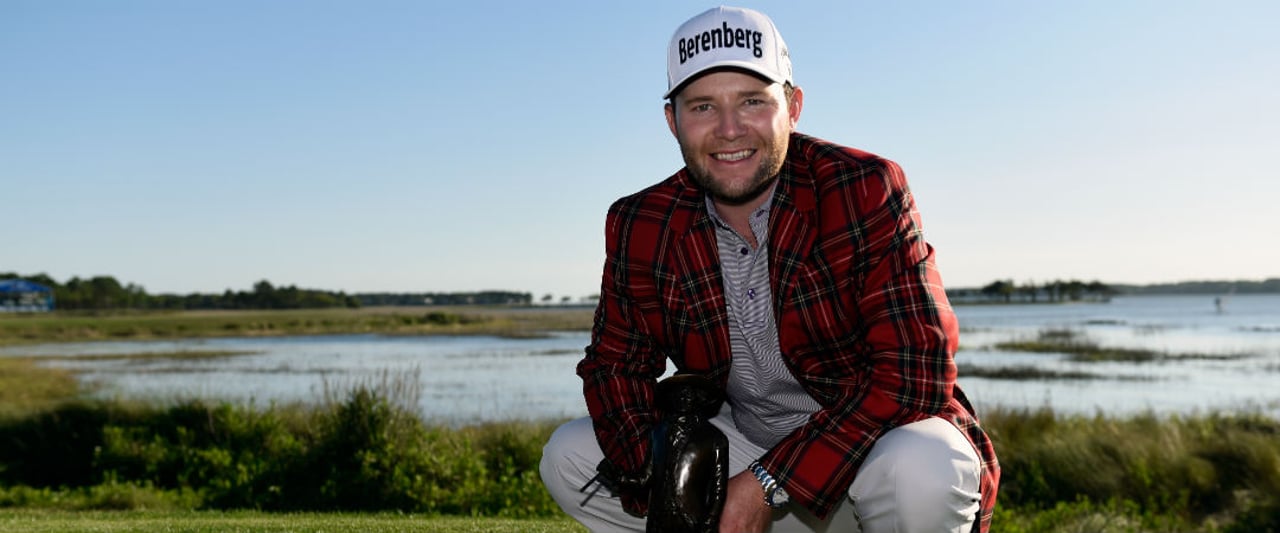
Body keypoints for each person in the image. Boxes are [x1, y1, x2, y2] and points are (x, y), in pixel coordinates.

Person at [541, 6, 999, 532]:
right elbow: (613, 367)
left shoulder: (864, 187)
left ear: (794, 105)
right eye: (703, 106)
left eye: (753, 101)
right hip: (745, 445)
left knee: (926, 464)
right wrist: (660, 471)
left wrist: (765, 484)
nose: (729, 129)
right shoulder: (641, 220)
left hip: (866, 457)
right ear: (673, 121)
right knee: (569, 456)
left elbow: (914, 372)